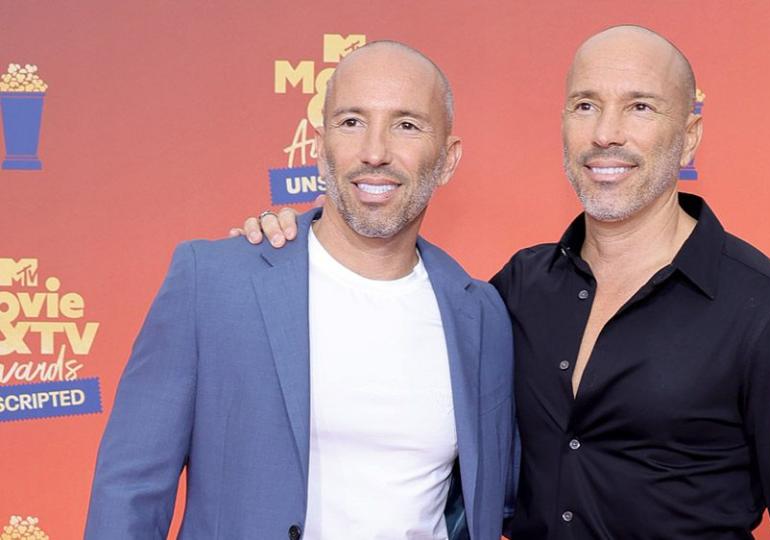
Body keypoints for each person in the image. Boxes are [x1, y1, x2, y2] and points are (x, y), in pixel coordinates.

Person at [238, 26, 770, 539]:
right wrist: (304, 242)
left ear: (689, 134)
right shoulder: (514, 290)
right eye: (585, 105)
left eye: (639, 107)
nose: (605, 133)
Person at [86, 41, 516, 540]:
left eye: (406, 125)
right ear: (318, 145)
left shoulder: (481, 313)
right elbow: (129, 492)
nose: (375, 152)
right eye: (352, 122)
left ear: (447, 159)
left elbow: (500, 497)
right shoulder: (214, 282)